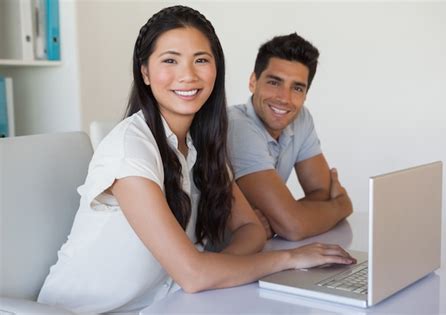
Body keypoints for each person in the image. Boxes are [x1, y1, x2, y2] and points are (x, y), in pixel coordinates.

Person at [37, 7, 355, 313]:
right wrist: (289, 259)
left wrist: (213, 269)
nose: (188, 75)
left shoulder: (199, 144)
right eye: (170, 60)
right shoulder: (130, 150)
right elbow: (193, 275)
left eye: (200, 60)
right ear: (145, 71)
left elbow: (250, 230)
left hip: (165, 304)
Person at [228, 33, 353, 241]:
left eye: (297, 88)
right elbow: (293, 226)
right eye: (274, 82)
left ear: (305, 94)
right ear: (253, 82)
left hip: (262, 249)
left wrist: (282, 218)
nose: (284, 99)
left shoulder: (300, 118)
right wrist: (341, 205)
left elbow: (321, 192)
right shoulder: (237, 126)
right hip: (218, 257)